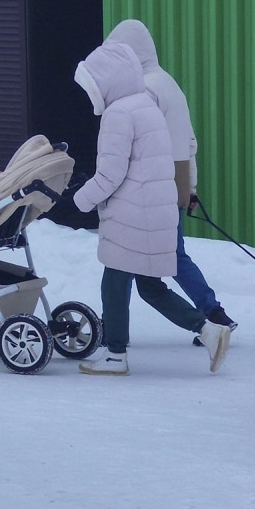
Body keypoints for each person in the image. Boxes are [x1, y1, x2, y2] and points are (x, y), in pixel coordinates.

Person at [71, 40, 231, 376]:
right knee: (150, 286)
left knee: (113, 281)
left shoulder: (119, 114)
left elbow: (111, 174)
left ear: (107, 81)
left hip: (132, 215)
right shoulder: (146, 104)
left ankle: (115, 354)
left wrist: (79, 199)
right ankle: (209, 330)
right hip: (153, 212)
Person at [106, 19, 237, 345]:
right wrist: (187, 186)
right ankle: (214, 315)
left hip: (151, 190)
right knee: (173, 256)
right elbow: (187, 142)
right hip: (172, 183)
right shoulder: (168, 84)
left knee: (129, 265)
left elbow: (138, 147)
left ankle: (115, 336)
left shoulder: (145, 90)